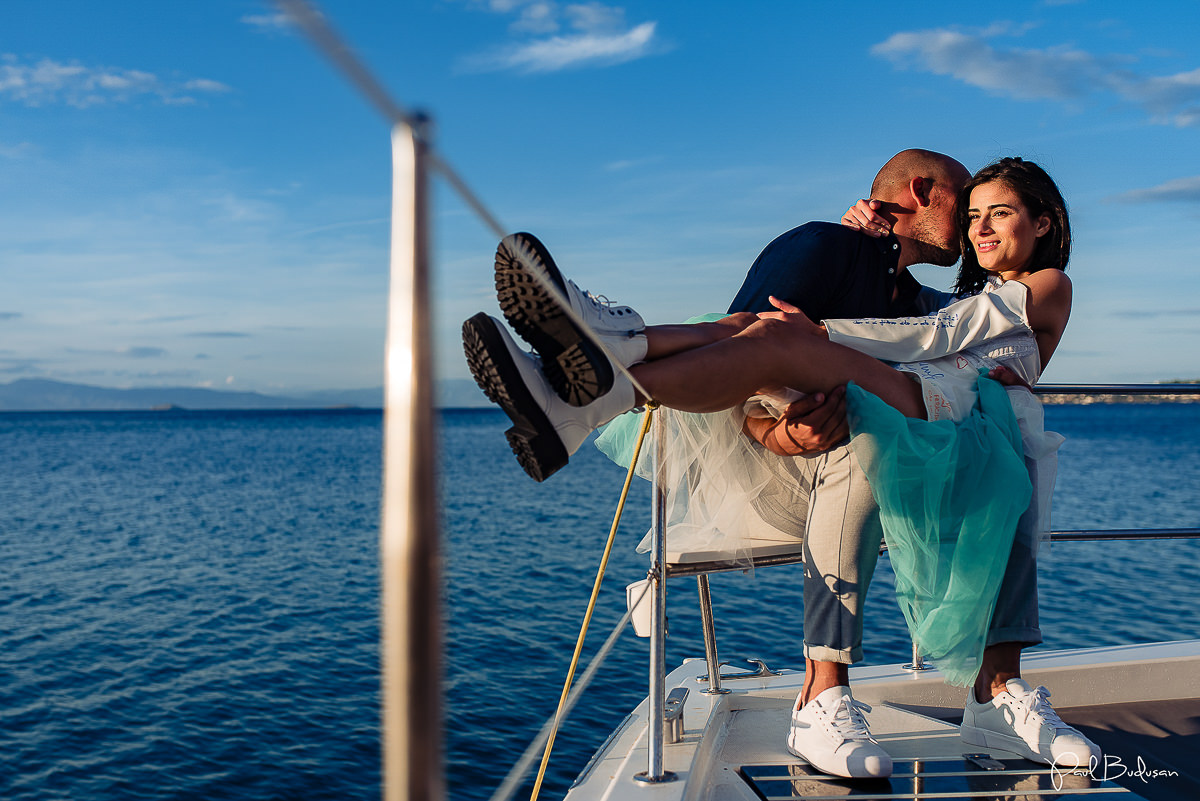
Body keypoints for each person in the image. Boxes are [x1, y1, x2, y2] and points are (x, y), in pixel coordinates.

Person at [462, 156, 1100, 778]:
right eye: (971, 211)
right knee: (762, 335)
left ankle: (607, 354)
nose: (975, 227)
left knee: (775, 337)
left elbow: (933, 335)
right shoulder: (864, 259)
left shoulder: (1043, 286)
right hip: (927, 406)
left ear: (1042, 223)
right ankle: (590, 381)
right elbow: (926, 327)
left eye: (996, 214)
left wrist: (822, 333)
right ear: (922, 191)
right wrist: (859, 259)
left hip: (946, 411)